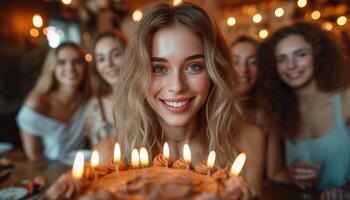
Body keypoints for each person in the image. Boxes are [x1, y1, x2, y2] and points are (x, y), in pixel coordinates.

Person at [95, 2, 265, 197]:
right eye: (159, 68)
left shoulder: (249, 141)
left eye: (193, 66)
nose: (177, 86)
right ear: (137, 75)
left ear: (214, 71)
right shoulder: (106, 157)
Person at [257, 22, 350, 190]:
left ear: (318, 56)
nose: (291, 65)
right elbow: (274, 176)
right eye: (282, 59)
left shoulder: (346, 99)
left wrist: (346, 189)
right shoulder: (279, 111)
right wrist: (290, 174)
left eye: (300, 54)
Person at [16, 42, 91, 161]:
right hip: (50, 172)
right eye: (62, 62)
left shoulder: (89, 99)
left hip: (84, 168)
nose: (70, 68)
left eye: (77, 62)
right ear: (52, 67)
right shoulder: (37, 102)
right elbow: (34, 156)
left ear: (85, 67)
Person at [85, 30, 127, 146]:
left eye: (116, 55)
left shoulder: (147, 99)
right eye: (101, 59)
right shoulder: (93, 107)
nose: (109, 64)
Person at [229, 35, 260, 124]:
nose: (244, 69)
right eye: (235, 61)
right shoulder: (212, 111)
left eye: (253, 62)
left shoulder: (272, 112)